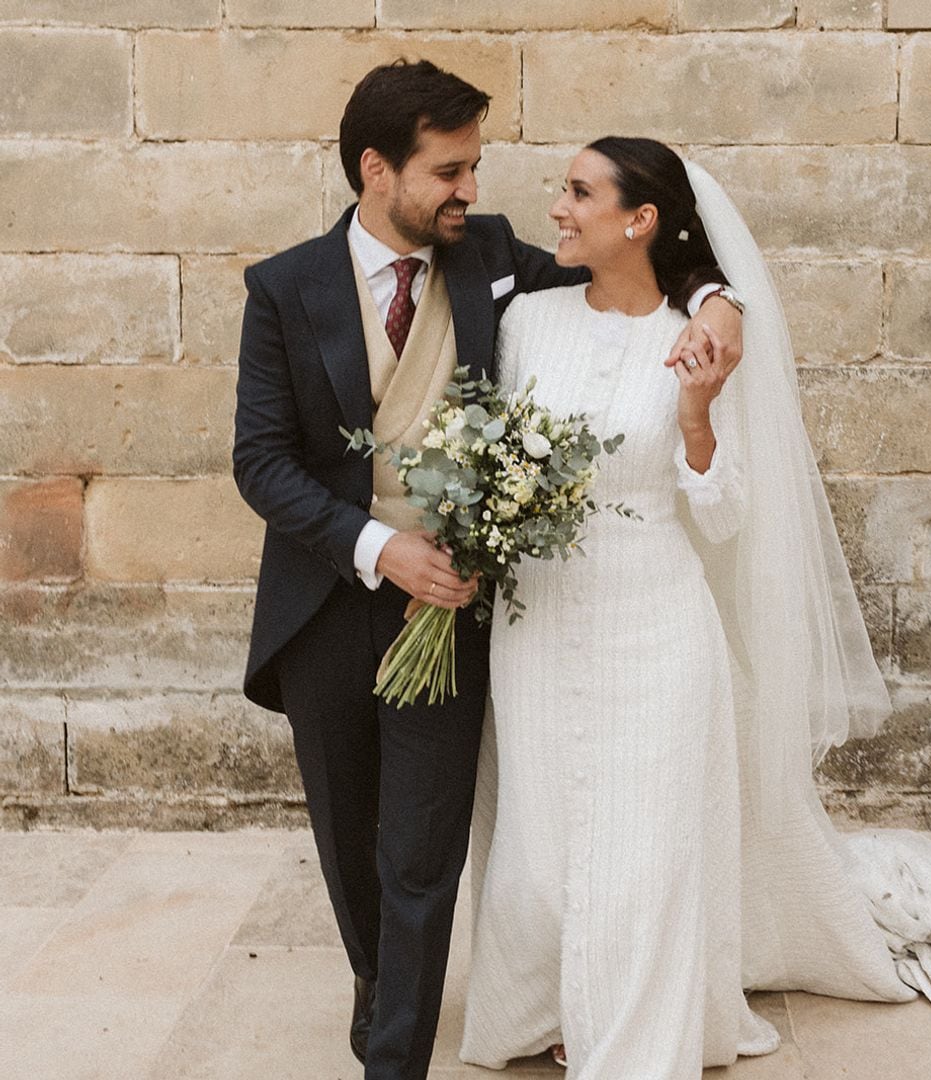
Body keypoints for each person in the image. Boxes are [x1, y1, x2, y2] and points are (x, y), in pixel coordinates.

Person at [460, 137, 931, 1078]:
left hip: (654, 620)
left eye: (578, 192)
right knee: (539, 842)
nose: (557, 207)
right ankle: (549, 1002)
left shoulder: (698, 336)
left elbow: (725, 509)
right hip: (536, 624)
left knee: (645, 846)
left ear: (641, 221)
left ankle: (630, 1039)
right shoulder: (525, 323)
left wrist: (702, 414)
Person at [232, 62, 742, 1079]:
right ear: (378, 171)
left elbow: (636, 271)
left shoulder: (493, 258)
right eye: (449, 169)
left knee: (422, 850)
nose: (470, 189)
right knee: (350, 842)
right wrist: (381, 548)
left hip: (457, 608)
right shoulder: (284, 288)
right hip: (327, 603)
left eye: (475, 167)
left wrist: (719, 301)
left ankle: (394, 1056)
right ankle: (384, 985)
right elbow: (261, 460)